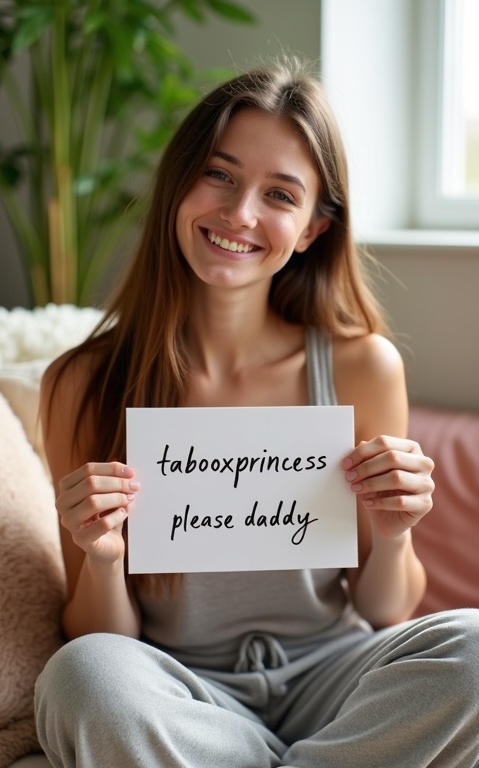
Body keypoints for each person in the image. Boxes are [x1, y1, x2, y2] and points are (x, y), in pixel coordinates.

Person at [34, 59, 479, 768]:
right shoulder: (82, 382)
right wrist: (102, 557)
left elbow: (390, 610)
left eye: (280, 194)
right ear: (179, 184)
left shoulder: (362, 365)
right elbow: (99, 636)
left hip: (337, 676)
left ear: (310, 229)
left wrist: (395, 534)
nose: (240, 214)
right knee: (80, 677)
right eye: (219, 174)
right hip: (184, 690)